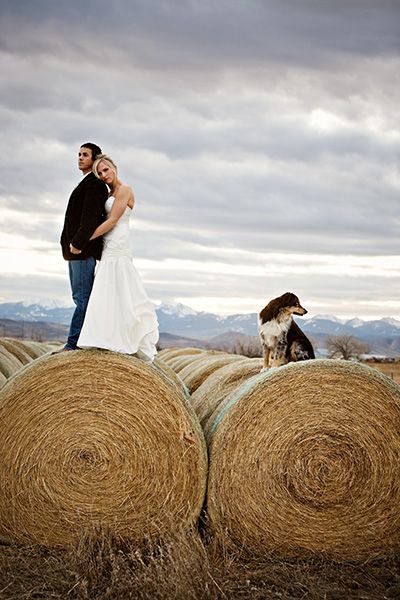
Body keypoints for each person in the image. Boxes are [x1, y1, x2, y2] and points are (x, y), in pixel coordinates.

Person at [75, 154, 159, 361]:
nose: (104, 175)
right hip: (107, 244)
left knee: (122, 288)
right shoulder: (109, 192)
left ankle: (126, 339)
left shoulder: (125, 190)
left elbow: (112, 221)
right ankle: (106, 338)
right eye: (99, 173)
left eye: (106, 170)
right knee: (107, 289)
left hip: (119, 242)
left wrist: (83, 239)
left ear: (114, 167)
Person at [60, 143, 108, 351]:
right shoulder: (87, 182)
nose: (80, 158)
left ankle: (74, 343)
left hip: (81, 251)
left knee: (82, 299)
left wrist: (77, 244)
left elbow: (90, 219)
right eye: (78, 154)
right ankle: (80, 340)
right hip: (74, 251)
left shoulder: (95, 185)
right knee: (79, 297)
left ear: (94, 158)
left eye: (85, 155)